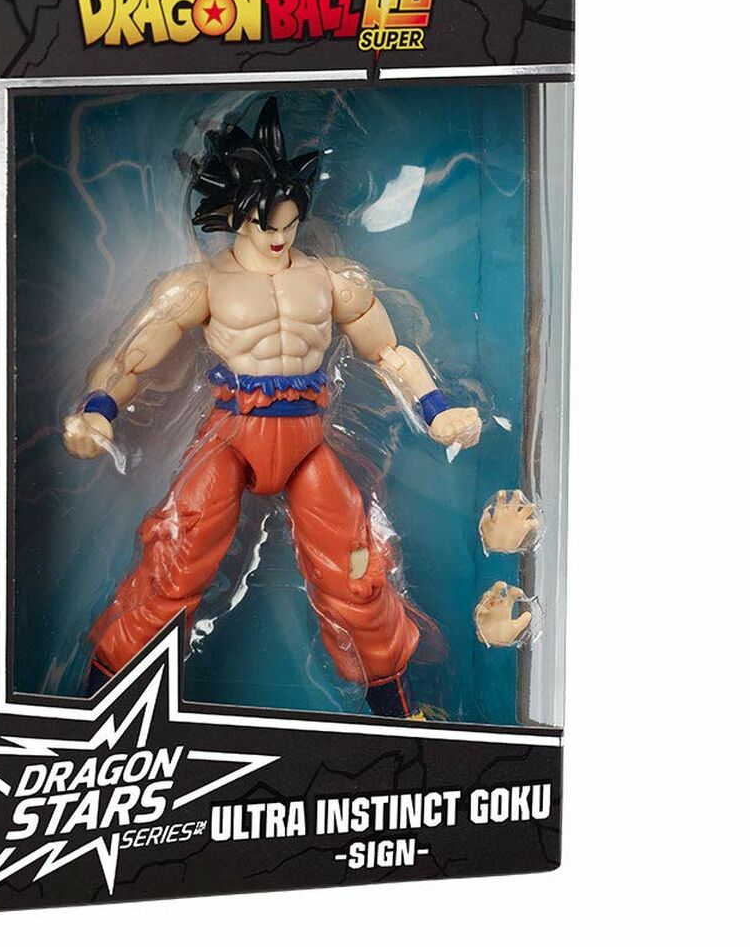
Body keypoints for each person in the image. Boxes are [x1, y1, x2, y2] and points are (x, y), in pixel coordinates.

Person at [62, 97, 481, 717]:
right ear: (236, 215)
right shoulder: (199, 284)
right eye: (267, 224)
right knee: (173, 567)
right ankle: (92, 708)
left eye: (290, 220)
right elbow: (132, 360)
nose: (281, 235)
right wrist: (98, 411)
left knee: (357, 579)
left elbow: (389, 351)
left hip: (308, 440)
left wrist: (436, 408)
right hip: (231, 437)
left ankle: (397, 717)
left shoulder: (334, 279)